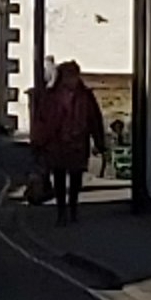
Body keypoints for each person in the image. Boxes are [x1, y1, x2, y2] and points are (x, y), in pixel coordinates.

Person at [31, 60, 107, 224]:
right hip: (57, 143)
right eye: (68, 76)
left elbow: (94, 119)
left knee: (76, 178)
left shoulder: (85, 96)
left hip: (77, 143)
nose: (71, 80)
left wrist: (99, 141)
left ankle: (72, 209)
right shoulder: (51, 96)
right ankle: (61, 212)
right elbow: (43, 121)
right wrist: (39, 142)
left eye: (74, 75)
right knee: (58, 177)